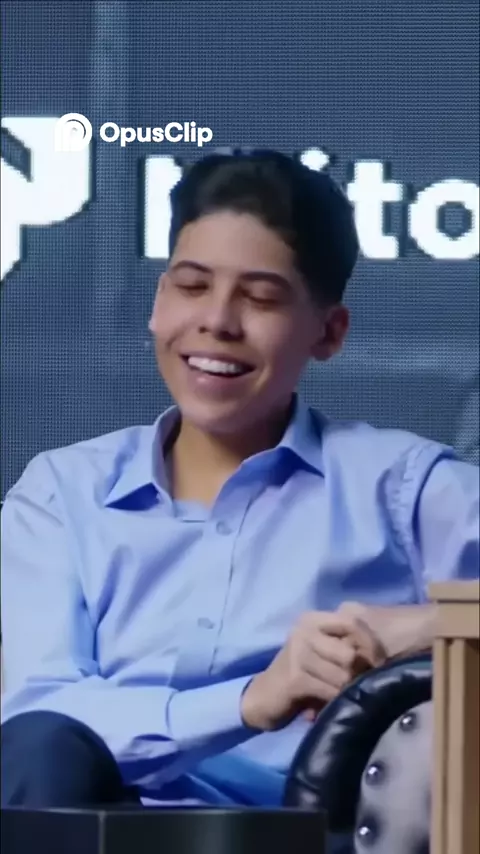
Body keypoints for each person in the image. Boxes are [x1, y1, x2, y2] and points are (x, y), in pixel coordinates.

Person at [1, 150, 478, 810]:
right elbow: (39, 711)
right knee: (40, 748)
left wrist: (423, 628)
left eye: (260, 298)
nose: (218, 323)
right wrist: (252, 700)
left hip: (308, 835)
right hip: (93, 828)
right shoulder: (62, 493)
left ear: (329, 332)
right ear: (158, 302)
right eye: (192, 286)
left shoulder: (400, 489)